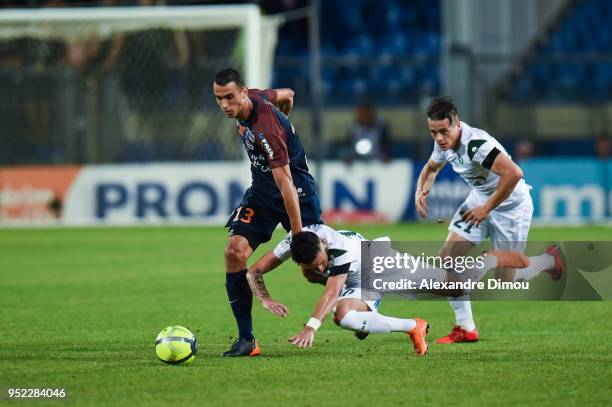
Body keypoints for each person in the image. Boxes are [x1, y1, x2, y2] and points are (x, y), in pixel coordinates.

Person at [244, 224, 563, 355]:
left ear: (325, 245)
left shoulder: (336, 249)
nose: (320, 265)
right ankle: (414, 327)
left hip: (381, 262)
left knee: (458, 285)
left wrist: (310, 326)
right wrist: (265, 298)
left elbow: (330, 292)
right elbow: (254, 270)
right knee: (345, 317)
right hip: (361, 280)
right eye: (314, 265)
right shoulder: (295, 244)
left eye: (320, 260)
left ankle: (541, 261)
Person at [415, 97, 558, 344]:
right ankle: (466, 327)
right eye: (433, 132)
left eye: (443, 131)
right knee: (448, 256)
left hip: (511, 206)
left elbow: (514, 174)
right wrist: (420, 191)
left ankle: (549, 260)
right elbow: (431, 168)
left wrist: (487, 208)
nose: (438, 138)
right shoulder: (443, 142)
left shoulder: (476, 145)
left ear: (456, 124)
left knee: (505, 278)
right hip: (479, 200)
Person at [213, 68, 322, 357]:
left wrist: (298, 235)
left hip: (296, 194)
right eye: (219, 98)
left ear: (244, 92)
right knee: (233, 253)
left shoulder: (266, 128)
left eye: (230, 97)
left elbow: (286, 183)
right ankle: (246, 339)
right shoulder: (259, 98)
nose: (225, 105)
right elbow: (288, 93)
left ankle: (357, 291)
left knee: (312, 270)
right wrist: (288, 120)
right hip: (262, 192)